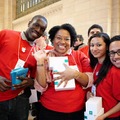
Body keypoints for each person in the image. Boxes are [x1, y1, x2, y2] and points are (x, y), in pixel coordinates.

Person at [33, 23, 93, 120]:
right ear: (52, 40)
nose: (62, 42)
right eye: (59, 38)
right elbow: (41, 87)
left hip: (77, 112)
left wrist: (75, 74)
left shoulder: (79, 55)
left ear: (72, 41)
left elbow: (89, 81)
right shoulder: (45, 56)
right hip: (50, 111)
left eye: (67, 39)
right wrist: (40, 62)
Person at [0, 15, 47, 120]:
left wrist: (29, 82)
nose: (38, 30)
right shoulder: (6, 34)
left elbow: (35, 80)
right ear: (29, 23)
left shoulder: (37, 52)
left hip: (21, 100)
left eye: (42, 29)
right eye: (36, 25)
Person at [88, 33, 120, 120]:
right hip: (98, 112)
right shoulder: (96, 64)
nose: (94, 49)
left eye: (99, 45)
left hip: (110, 116)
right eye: (92, 45)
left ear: (107, 47)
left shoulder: (114, 71)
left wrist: (104, 116)